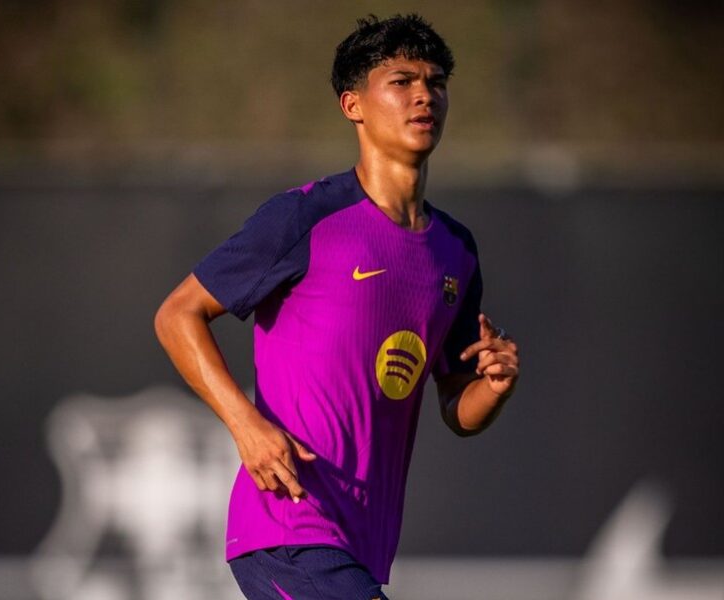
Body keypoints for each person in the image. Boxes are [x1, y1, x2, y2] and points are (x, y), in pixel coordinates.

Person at [155, 13, 519, 600]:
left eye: (435, 82)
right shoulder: (305, 217)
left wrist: (494, 388)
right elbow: (177, 315)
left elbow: (457, 407)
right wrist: (247, 426)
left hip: (361, 544)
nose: (424, 95)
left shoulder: (455, 249)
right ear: (353, 105)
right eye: (401, 81)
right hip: (288, 526)